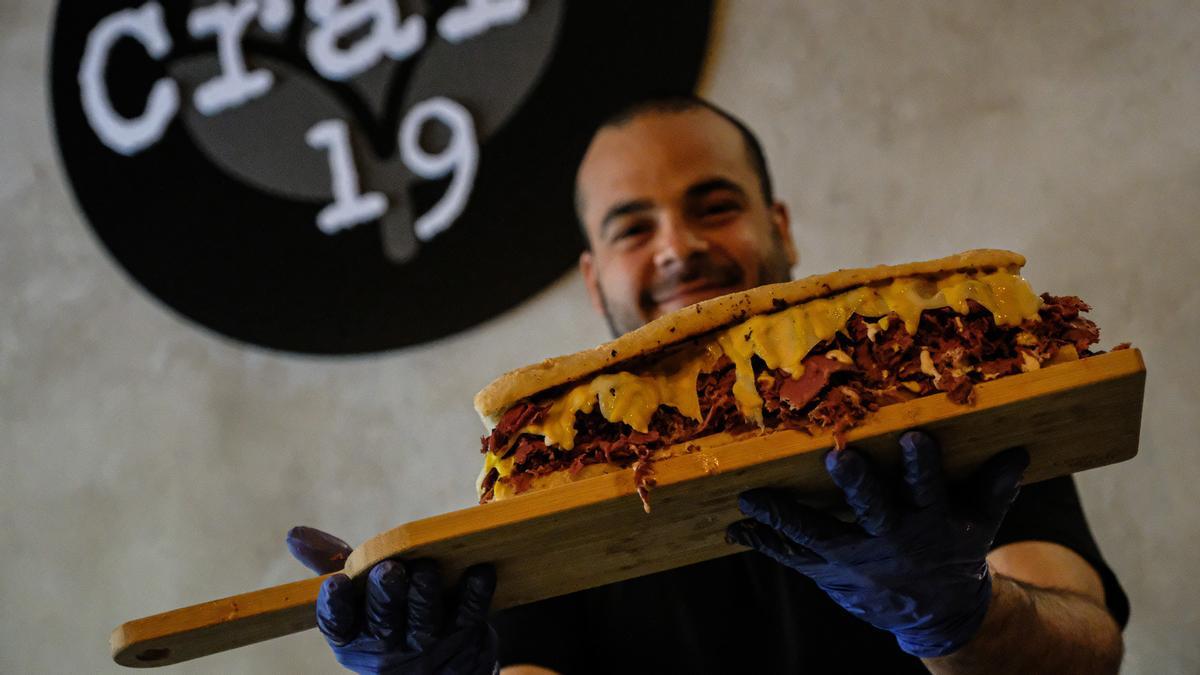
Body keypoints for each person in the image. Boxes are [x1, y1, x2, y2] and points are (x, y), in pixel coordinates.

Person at [288, 96, 1128, 674]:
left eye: (714, 203)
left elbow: (1088, 650)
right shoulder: (545, 485)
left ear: (780, 224)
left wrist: (959, 614)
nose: (676, 247)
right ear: (595, 278)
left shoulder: (955, 383)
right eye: (633, 227)